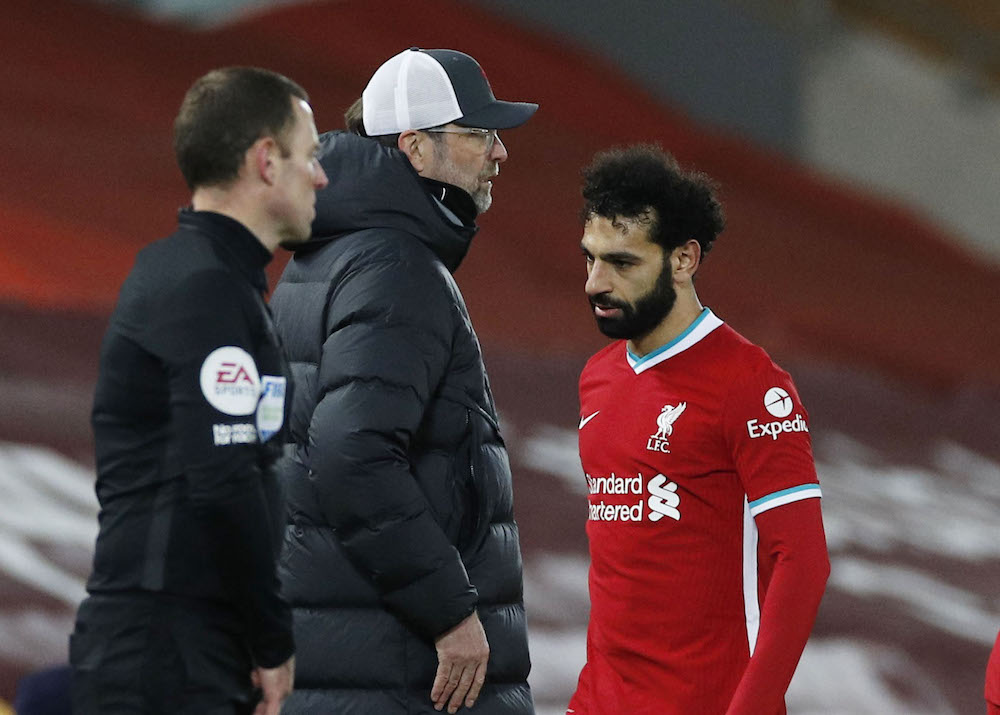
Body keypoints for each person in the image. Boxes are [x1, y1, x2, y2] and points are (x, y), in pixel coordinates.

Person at [268, 48, 537, 714]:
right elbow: (349, 453)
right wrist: (448, 610)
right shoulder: (395, 264)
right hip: (398, 671)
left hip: (348, 656)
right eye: (478, 134)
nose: (500, 152)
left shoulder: (331, 250)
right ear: (416, 147)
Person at [70, 67, 328, 715]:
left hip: (174, 641)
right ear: (266, 161)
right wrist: (271, 638)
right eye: (311, 155)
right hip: (166, 651)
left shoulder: (204, 277)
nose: (321, 177)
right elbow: (223, 477)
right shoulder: (206, 289)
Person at [567, 145, 830, 715]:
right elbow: (619, 581)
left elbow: (802, 562)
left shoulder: (751, 384)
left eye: (622, 263)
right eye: (589, 258)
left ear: (683, 260)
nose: (594, 283)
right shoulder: (598, 378)